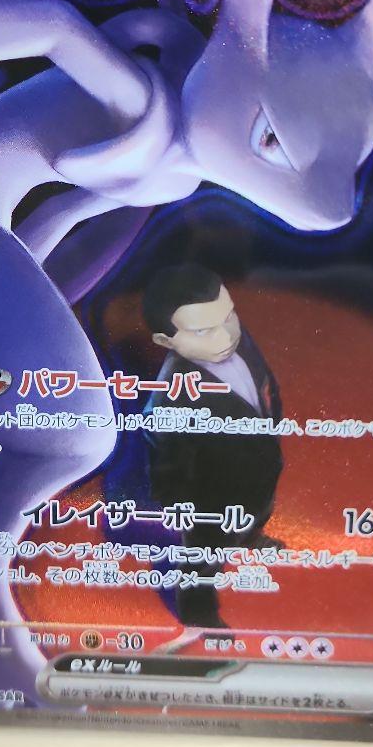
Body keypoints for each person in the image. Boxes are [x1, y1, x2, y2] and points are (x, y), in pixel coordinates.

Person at [142, 264, 284, 628]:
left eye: (229, 316)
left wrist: (272, 421)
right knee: (203, 555)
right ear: (165, 341)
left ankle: (250, 536)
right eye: (203, 330)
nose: (226, 336)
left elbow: (264, 381)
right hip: (210, 496)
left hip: (258, 465)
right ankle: (198, 610)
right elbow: (166, 459)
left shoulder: (237, 339)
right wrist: (182, 505)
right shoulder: (170, 398)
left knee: (259, 508)